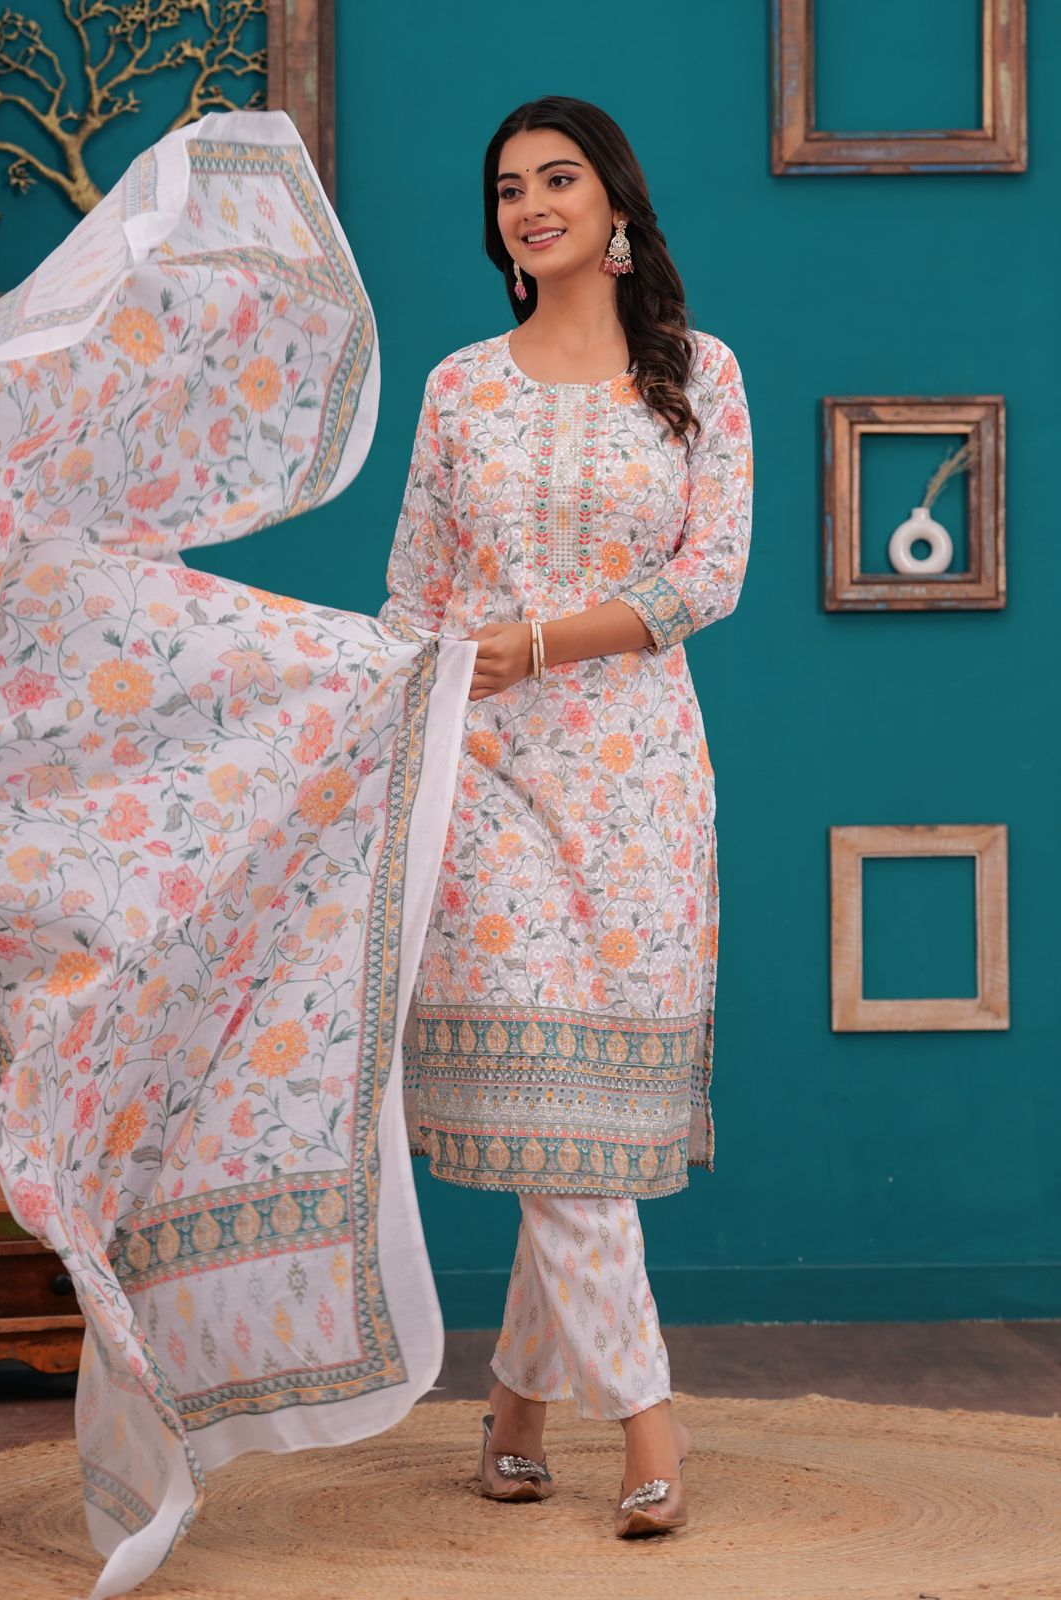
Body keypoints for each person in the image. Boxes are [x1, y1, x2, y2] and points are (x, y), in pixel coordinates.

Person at [378, 95, 753, 1537]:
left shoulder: (699, 377)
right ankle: (651, 1429)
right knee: (556, 1115)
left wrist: (540, 643)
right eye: (507, 189)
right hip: (478, 773)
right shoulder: (460, 388)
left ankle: (516, 1412)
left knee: (576, 1114)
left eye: (557, 179)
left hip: (640, 780)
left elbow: (707, 580)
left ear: (616, 210)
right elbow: (414, 594)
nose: (528, 205)